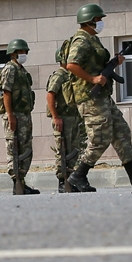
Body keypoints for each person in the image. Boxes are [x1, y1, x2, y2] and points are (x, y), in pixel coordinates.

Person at [65, 3, 132, 192]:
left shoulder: (93, 39)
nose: (101, 23)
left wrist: (114, 64)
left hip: (103, 96)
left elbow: (96, 65)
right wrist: (92, 78)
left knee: (121, 131)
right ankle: (78, 175)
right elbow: (71, 65)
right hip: (90, 98)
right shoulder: (81, 40)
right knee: (100, 138)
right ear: (89, 21)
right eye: (98, 20)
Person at [0, 38, 39, 194]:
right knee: (14, 148)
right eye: (21, 51)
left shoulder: (21, 70)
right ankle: (17, 183)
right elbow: (6, 92)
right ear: (13, 54)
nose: (24, 54)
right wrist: (10, 115)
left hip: (24, 115)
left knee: (25, 149)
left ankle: (22, 181)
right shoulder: (10, 69)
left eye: (25, 51)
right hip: (14, 115)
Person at [47, 38, 86, 193]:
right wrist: (56, 117)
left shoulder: (71, 75)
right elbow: (50, 95)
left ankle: (71, 179)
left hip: (73, 117)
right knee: (63, 150)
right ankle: (63, 182)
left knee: (73, 150)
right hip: (62, 118)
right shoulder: (59, 75)